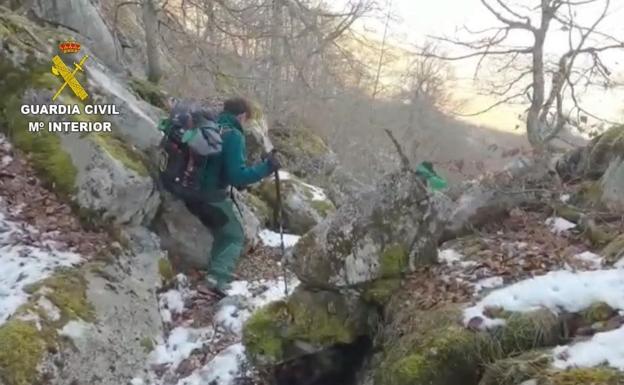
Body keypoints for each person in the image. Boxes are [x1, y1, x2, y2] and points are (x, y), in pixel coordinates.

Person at [187, 97, 280, 298]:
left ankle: (215, 272)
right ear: (242, 115)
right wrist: (267, 168)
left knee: (223, 232)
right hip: (210, 196)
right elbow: (237, 177)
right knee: (234, 235)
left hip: (189, 189)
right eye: (246, 119)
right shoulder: (234, 135)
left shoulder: (212, 126)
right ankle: (215, 282)